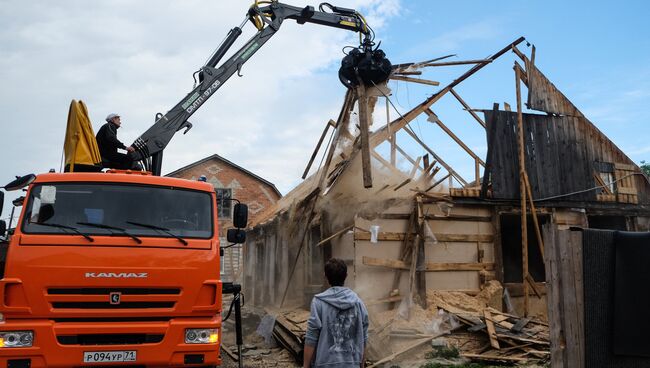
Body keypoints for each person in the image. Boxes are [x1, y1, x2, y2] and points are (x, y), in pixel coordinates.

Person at [304, 258, 369, 368]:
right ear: (346, 275)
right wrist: (361, 364)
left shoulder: (318, 302)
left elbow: (311, 336)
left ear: (325, 276)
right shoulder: (358, 302)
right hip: (352, 364)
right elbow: (364, 336)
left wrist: (305, 366)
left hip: (325, 364)